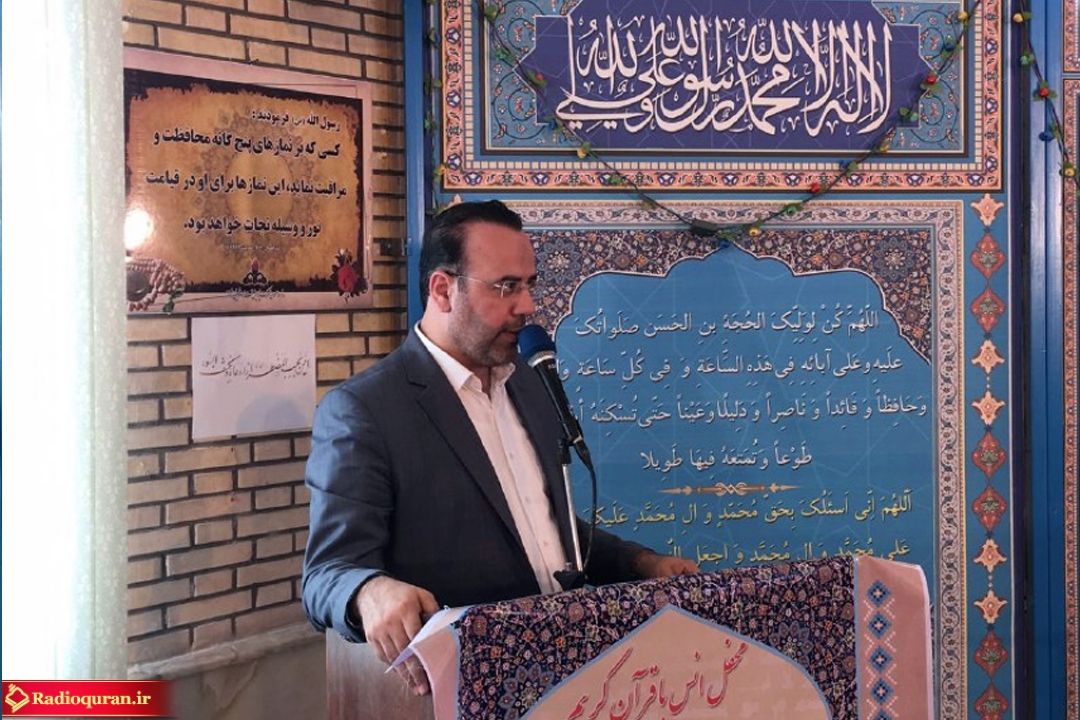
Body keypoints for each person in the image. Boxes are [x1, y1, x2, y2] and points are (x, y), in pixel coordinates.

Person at [302, 200, 698, 695]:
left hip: (566, 677)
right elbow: (326, 574)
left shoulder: (529, 383)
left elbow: (542, 526)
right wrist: (369, 591)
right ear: (442, 290)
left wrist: (640, 565)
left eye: (530, 284)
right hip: (462, 689)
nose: (527, 306)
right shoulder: (366, 411)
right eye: (507, 286)